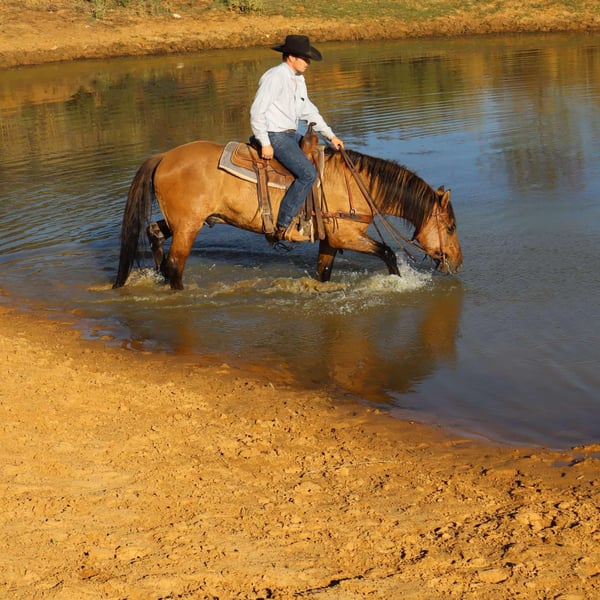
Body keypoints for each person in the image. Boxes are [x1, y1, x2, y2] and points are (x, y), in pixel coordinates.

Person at [250, 34, 344, 241]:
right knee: (308, 174)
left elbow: (309, 111)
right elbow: (257, 111)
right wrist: (265, 143)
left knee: (322, 159)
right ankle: (283, 226)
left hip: (290, 134)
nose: (308, 62)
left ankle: (314, 215)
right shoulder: (275, 77)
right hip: (275, 135)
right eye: (305, 58)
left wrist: (331, 136)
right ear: (291, 57)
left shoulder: (298, 80)